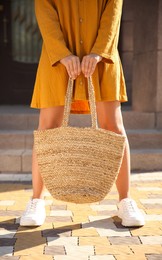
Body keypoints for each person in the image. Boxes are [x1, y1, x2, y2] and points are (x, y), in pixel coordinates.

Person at [20, 0, 145, 227]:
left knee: (114, 128)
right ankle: (36, 200)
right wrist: (62, 53)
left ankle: (125, 200)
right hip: (57, 61)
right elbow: (45, 12)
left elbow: (113, 11)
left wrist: (98, 52)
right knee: (47, 128)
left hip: (102, 60)